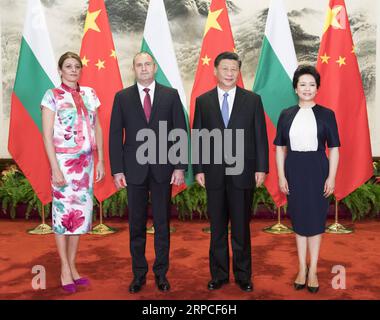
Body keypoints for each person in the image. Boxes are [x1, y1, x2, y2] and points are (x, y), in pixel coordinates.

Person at [109, 52, 187, 294]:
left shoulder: (170, 95)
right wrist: (117, 170)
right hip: (134, 171)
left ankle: (161, 274)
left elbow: (180, 133)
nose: (143, 68)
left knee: (162, 224)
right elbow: (114, 135)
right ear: (134, 68)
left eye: (147, 64)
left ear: (155, 67)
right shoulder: (122, 97)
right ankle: (138, 274)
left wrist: (180, 166)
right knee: (136, 225)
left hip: (164, 170)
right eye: (139, 65)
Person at [192, 51, 269, 292]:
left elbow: (260, 136)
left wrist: (261, 168)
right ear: (215, 71)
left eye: (233, 69)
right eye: (224, 69)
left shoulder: (252, 100)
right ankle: (219, 275)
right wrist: (199, 169)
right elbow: (198, 138)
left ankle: (243, 275)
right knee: (217, 228)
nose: (229, 73)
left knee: (240, 227)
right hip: (213, 173)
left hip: (243, 172)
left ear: (239, 72)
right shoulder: (203, 101)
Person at [41, 52, 105, 293]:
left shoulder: (90, 94)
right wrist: (55, 167)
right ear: (60, 70)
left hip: (86, 166)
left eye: (76, 66)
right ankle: (64, 268)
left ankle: (74, 266)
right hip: (64, 166)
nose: (73, 70)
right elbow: (47, 136)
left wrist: (101, 161)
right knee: (61, 217)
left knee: (79, 216)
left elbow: (97, 126)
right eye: (68, 66)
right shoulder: (51, 97)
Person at [274, 65, 340, 293]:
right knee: (300, 221)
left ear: (317, 88)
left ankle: (313, 271)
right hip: (294, 170)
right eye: (302, 84)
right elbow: (279, 148)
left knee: (315, 222)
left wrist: (331, 177)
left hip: (318, 169)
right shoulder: (286, 114)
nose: (307, 88)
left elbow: (334, 149)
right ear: (295, 88)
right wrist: (282, 176)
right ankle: (302, 268)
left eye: (312, 84)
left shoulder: (327, 114)